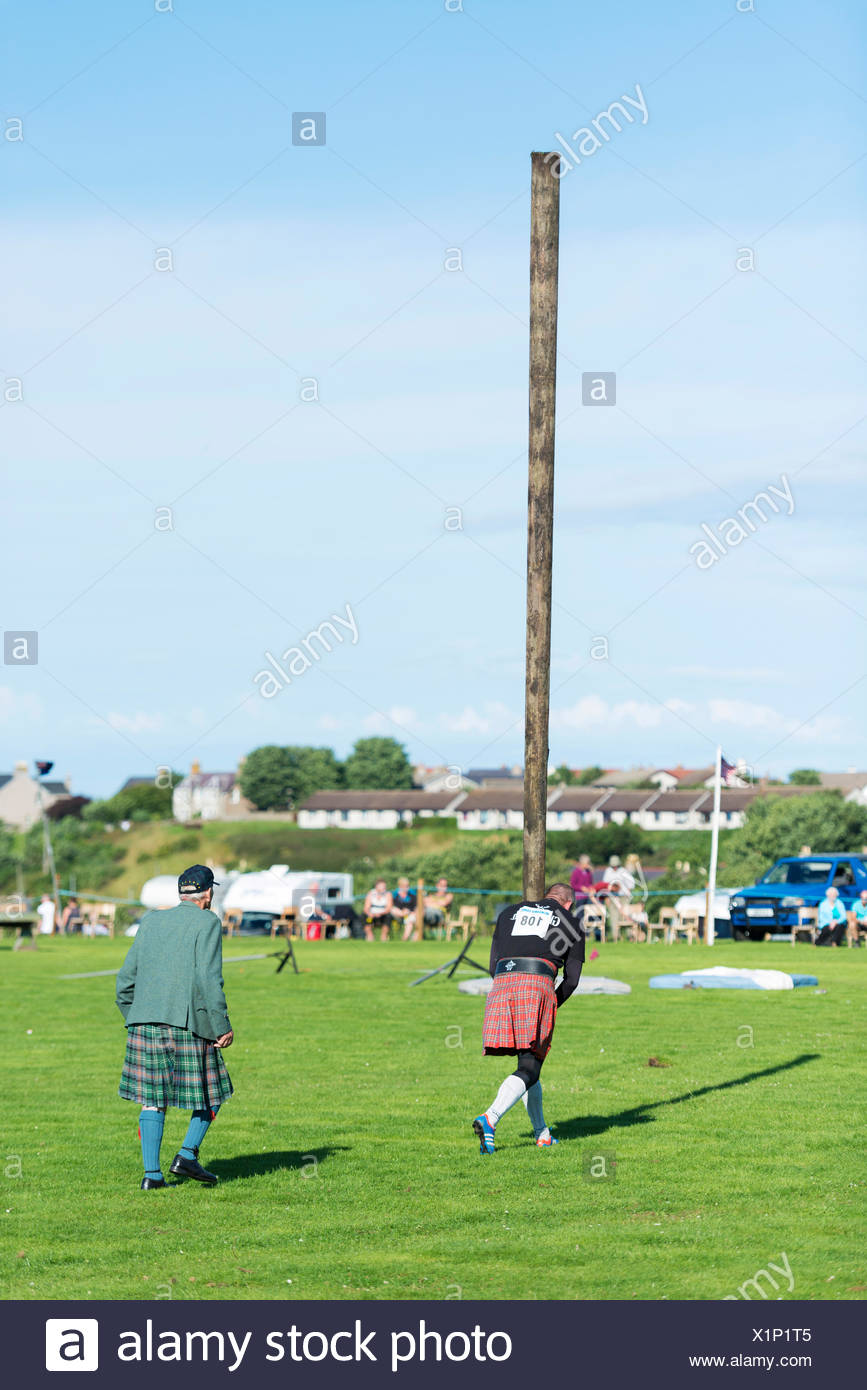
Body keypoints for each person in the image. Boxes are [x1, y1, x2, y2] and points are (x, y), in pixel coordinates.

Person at [115, 864, 233, 1190]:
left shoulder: (151, 920)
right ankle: (186, 1155)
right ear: (208, 893)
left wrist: (134, 1014)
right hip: (185, 1025)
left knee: (152, 1099)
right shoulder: (208, 922)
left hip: (143, 1023)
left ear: (182, 893)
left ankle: (152, 1177)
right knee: (214, 1091)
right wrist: (221, 1026)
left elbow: (125, 981)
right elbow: (209, 980)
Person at [472, 882, 585, 1153]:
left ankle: (541, 1133)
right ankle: (490, 1118)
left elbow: (493, 964)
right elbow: (572, 980)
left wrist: (508, 989)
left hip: (501, 984)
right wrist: (551, 1002)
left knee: (529, 1064)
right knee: (529, 1067)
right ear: (569, 904)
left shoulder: (509, 912)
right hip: (536, 985)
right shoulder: (571, 921)